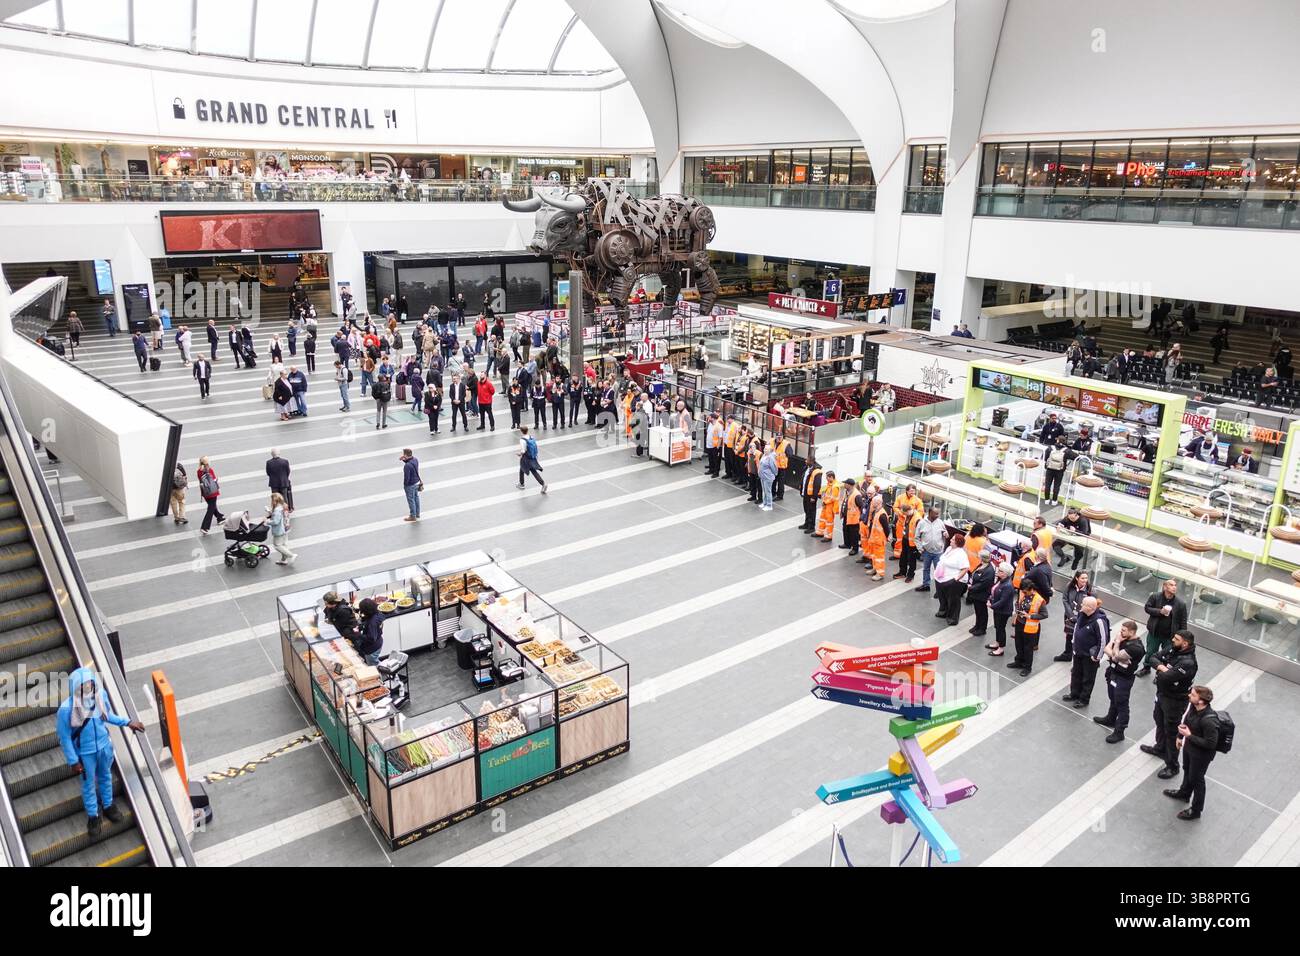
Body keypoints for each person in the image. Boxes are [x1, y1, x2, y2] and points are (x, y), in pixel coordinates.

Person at [56, 666, 147, 836]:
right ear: (76, 687)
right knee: (88, 784)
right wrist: (73, 760)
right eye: (83, 685)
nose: (88, 687)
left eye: (90, 683)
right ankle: (93, 816)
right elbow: (65, 737)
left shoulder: (100, 696)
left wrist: (127, 722)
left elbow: (107, 715)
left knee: (105, 777)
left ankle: (108, 805)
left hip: (104, 747)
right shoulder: (66, 709)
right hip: (85, 753)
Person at [1140, 630, 1199, 779]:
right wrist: (1163, 667)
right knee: (1159, 720)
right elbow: (1152, 657)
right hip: (1162, 694)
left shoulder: (1188, 662)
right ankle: (1160, 748)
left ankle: (1173, 765)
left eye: (1176, 639)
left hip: (1175, 700)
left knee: (1172, 731)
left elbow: (1167, 678)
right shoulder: (1174, 649)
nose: (1172, 640)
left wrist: (1162, 670)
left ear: (1185, 643)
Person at [1163, 685, 1221, 820]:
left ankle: (1196, 810)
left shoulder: (1209, 721)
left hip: (1201, 755)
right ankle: (1184, 793)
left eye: (1193, 695)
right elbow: (1186, 720)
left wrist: (1188, 736)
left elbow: (1210, 744)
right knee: (1187, 770)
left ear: (1201, 701)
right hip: (1190, 748)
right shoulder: (1193, 707)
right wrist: (1180, 736)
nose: (1189, 695)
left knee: (1197, 780)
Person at [1095, 619, 1145, 743]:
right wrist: (1116, 654)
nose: (1120, 633)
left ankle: (1119, 731)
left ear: (1132, 632)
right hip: (1113, 672)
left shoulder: (1136, 647)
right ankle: (1110, 718)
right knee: (1113, 698)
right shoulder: (1124, 639)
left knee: (1122, 704)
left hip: (1124, 678)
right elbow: (1107, 649)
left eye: (1123, 631)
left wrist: (1116, 643)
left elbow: (1116, 655)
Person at [1064, 595, 1109, 708]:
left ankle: (1084, 699)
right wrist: (1074, 643)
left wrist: (1097, 656)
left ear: (1090, 607)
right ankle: (1074, 694)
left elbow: (1103, 640)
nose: (1081, 605)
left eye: (1083, 604)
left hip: (1089, 656)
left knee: (1088, 678)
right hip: (1078, 651)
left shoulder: (1099, 621)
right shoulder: (1081, 614)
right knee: (1076, 673)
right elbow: (1076, 629)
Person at [1139, 579, 1187, 677]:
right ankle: (1146, 668)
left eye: (1175, 585)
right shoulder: (1155, 597)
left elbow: (1183, 621)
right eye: (1171, 585)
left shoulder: (1180, 603)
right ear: (1165, 587)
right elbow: (1147, 608)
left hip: (1170, 636)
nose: (1174, 587)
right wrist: (1160, 611)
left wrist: (1183, 637)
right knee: (1150, 652)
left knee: (1167, 656)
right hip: (1155, 633)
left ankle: (1160, 673)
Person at [1008, 579, 1048, 677]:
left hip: (1030, 627)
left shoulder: (1039, 599)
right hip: (1020, 623)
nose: (1024, 593)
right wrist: (1017, 607)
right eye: (1023, 591)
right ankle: (1019, 661)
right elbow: (1019, 602)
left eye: (1025, 591)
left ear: (1031, 589)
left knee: (1028, 648)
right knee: (1018, 644)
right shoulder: (1023, 594)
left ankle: (1027, 667)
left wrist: (1030, 616)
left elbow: (1044, 614)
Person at [1054, 570, 1092, 662]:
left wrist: (1079, 617)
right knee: (1069, 635)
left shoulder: (1090, 590)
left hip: (1082, 618)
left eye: (1086, 578)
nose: (1085, 580)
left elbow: (1091, 606)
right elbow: (1065, 599)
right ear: (1077, 578)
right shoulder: (1069, 586)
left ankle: (1077, 660)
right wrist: (1070, 615)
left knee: (1079, 638)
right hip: (1069, 616)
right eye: (1082, 578)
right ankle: (1067, 654)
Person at [934, 533, 971, 625]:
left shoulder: (961, 554)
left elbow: (966, 568)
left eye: (953, 539)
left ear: (958, 542)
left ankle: (953, 618)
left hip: (953, 581)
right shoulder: (949, 549)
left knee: (953, 599)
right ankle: (943, 611)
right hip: (941, 578)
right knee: (942, 596)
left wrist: (956, 579)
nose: (951, 540)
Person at [914, 506, 947, 592]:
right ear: (930, 513)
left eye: (938, 513)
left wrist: (945, 534)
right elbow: (916, 537)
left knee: (938, 571)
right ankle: (926, 585)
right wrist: (920, 548)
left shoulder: (940, 522)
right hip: (926, 552)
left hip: (938, 552)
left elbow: (944, 532)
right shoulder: (922, 523)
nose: (938, 515)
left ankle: (939, 590)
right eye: (936, 513)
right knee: (926, 569)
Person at [985, 562, 1015, 657]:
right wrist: (990, 599)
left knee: (1001, 628)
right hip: (998, 609)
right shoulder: (1000, 580)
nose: (998, 571)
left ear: (1005, 574)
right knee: (997, 627)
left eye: (1000, 571)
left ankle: (1001, 648)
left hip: (1003, 611)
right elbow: (994, 590)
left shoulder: (1008, 586)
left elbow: (1003, 601)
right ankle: (997, 643)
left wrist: (991, 606)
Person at [967, 549, 995, 637]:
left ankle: (982, 629)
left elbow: (983, 584)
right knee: (978, 611)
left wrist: (971, 587)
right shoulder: (982, 565)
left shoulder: (989, 570)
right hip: (976, 594)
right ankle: (977, 625)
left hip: (982, 594)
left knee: (982, 611)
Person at [1054, 504, 1091, 569]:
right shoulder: (1067, 518)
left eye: (1073, 518)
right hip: (1068, 536)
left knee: (1079, 552)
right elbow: (1058, 523)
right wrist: (1059, 525)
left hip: (1080, 537)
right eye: (1069, 518)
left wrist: (1075, 530)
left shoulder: (1083, 520)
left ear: (1077, 515)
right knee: (1055, 545)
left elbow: (1085, 534)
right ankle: (1064, 557)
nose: (1071, 520)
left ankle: (1076, 561)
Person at [892, 484, 924, 558]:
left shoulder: (917, 500)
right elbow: (895, 507)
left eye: (914, 491)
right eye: (911, 491)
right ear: (907, 490)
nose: (913, 492)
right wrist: (902, 514)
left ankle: (910, 555)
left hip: (911, 526)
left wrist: (913, 517)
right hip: (901, 523)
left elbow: (921, 512)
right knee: (899, 539)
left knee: (911, 541)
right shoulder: (900, 497)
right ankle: (897, 555)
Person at [864, 493, 890, 581]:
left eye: (873, 502)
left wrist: (887, 537)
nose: (872, 504)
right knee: (874, 556)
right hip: (875, 539)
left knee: (879, 558)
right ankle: (875, 569)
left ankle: (880, 573)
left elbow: (886, 528)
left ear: (878, 503)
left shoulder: (882, 514)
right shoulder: (877, 511)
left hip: (879, 540)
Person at [268, 492, 297, 566]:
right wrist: (271, 513)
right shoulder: (284, 506)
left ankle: (291, 555)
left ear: (275, 501)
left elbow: (275, 521)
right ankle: (283, 560)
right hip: (286, 528)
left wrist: (267, 521)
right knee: (283, 544)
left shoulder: (277, 510)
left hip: (279, 530)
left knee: (277, 545)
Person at [197, 456, 224, 534]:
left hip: (205, 492)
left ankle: (219, 517)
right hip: (212, 492)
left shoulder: (199, 471)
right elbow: (214, 480)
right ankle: (204, 527)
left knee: (212, 506)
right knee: (210, 509)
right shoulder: (210, 470)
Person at [517, 425, 547, 493]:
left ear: (521, 431)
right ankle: (521, 483)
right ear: (527, 430)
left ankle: (543, 484)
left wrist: (519, 454)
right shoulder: (531, 437)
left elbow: (523, 450)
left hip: (526, 458)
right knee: (522, 469)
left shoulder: (522, 440)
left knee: (532, 471)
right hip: (532, 456)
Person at [895, 504, 920, 582]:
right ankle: (902, 572)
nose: (904, 515)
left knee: (912, 560)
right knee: (903, 557)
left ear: (908, 511)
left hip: (913, 543)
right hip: (905, 539)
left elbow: (920, 533)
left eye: (904, 513)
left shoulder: (917, 519)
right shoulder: (908, 515)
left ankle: (910, 575)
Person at [799, 458, 824, 534]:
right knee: (806, 509)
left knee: (811, 511)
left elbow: (817, 485)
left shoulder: (817, 472)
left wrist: (814, 496)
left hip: (811, 495)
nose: (805, 461)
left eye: (807, 460)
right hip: (805, 493)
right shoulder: (807, 468)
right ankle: (806, 523)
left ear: (812, 461)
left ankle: (811, 526)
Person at [815, 471, 841, 542]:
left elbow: (833, 498)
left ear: (831, 477)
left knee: (829, 522)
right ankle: (820, 532)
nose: (826, 479)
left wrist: (825, 502)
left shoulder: (835, 486)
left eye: (827, 478)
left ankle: (829, 536)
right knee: (822, 518)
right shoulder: (830, 484)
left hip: (830, 506)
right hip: (826, 505)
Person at [838, 479, 861, 555]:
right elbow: (845, 502)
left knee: (854, 534)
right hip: (847, 516)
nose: (844, 485)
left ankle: (855, 548)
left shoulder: (856, 495)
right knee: (845, 530)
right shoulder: (847, 492)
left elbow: (861, 506)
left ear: (850, 485)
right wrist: (842, 512)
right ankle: (847, 544)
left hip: (854, 518)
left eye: (845, 483)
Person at [1042, 437, 1068, 502]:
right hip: (1059, 471)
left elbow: (1044, 457)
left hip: (1049, 469)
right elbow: (1076, 457)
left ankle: (1047, 499)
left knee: (1047, 485)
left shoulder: (1050, 448)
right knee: (1057, 486)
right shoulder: (1066, 450)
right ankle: (1054, 500)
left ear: (1057, 440)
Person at [400, 449, 422, 522]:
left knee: (411, 500)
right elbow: (411, 463)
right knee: (416, 498)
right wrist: (404, 460)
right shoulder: (415, 459)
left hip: (410, 485)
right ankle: (417, 513)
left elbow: (407, 477)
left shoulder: (407, 466)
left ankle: (413, 516)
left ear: (406, 455)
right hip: (417, 482)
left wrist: (405, 485)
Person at [758, 442, 779, 512]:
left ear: (770, 450)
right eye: (764, 449)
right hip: (763, 476)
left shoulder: (771, 458)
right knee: (764, 491)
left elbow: (774, 468)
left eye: (766, 449)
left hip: (768, 477)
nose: (764, 450)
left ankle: (769, 505)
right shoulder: (764, 455)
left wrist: (773, 475)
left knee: (768, 491)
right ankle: (764, 503)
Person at [169, 460, 188, 525]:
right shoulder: (174, 462)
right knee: (181, 501)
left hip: (170, 489)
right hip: (178, 488)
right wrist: (184, 476)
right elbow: (181, 467)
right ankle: (182, 517)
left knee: (173, 503)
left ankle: (176, 517)